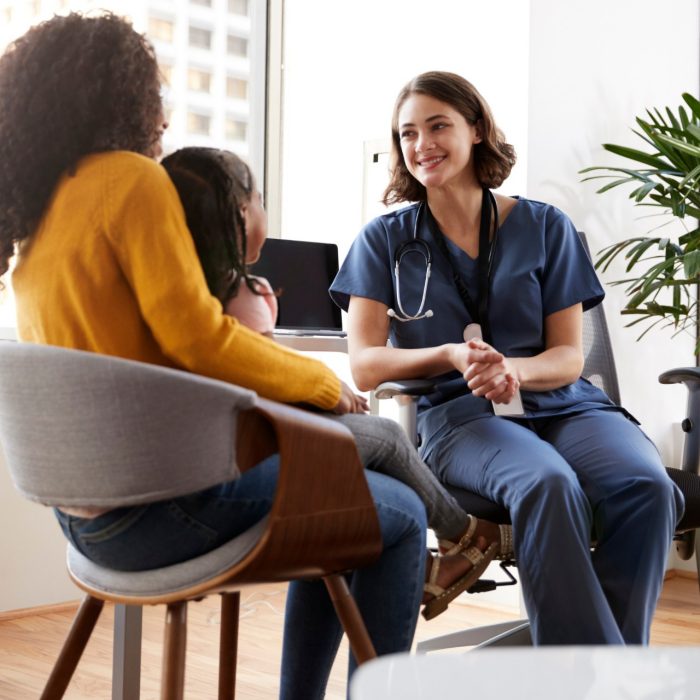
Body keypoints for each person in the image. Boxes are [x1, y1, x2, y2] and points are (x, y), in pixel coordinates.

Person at [0, 15, 480, 697]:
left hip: (87, 524)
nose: (161, 115)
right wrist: (318, 382)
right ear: (116, 95)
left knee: (346, 495)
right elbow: (195, 337)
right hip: (163, 508)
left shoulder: (42, 215)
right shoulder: (132, 181)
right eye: (151, 93)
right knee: (396, 515)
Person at [329, 70, 685, 646]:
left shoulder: (545, 226)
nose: (422, 145)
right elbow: (366, 364)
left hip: (565, 406)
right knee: (547, 484)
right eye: (407, 134)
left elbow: (569, 356)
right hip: (461, 419)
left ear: (476, 130)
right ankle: (597, 677)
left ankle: (597, 670)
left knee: (647, 486)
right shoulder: (384, 239)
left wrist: (513, 369)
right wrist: (447, 354)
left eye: (438, 125)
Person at [160, 146, 514, 615]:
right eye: (262, 200)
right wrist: (326, 395)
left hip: (210, 452)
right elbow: (259, 376)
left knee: (366, 465)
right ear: (241, 214)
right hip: (246, 451)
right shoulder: (242, 297)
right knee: (386, 438)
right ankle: (465, 533)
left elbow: (253, 374)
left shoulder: (171, 296)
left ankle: (455, 541)